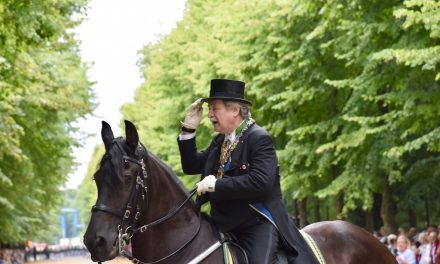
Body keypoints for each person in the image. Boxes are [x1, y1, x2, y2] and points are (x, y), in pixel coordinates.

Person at [177, 79, 319, 263]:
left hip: (256, 224)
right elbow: (191, 166)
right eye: (209, 109)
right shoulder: (220, 141)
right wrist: (189, 129)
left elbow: (261, 183)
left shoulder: (259, 138)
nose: (209, 114)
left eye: (214, 108)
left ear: (235, 110)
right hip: (222, 223)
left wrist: (216, 185)